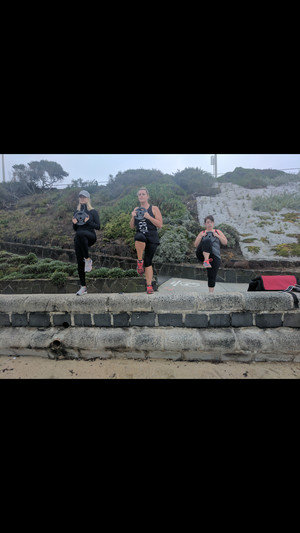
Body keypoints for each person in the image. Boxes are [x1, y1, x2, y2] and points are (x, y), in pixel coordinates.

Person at [130, 187, 163, 294]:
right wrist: (133, 217)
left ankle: (149, 286)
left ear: (147, 196)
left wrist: (149, 217)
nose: (141, 196)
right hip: (141, 234)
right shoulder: (136, 209)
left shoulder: (154, 208)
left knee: (148, 261)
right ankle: (140, 261)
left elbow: (160, 224)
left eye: (143, 194)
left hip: (152, 237)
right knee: (139, 237)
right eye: (139, 194)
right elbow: (131, 226)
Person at [72, 190, 100, 296]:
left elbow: (98, 226)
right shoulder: (76, 212)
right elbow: (75, 229)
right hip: (79, 239)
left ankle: (88, 259)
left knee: (81, 234)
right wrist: (74, 223)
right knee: (79, 262)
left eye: (84, 197)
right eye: (80, 197)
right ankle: (83, 287)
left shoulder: (93, 212)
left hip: (90, 236)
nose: (82, 199)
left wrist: (88, 221)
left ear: (88, 198)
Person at [194, 215, 227, 293]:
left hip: (214, 256)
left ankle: (211, 295)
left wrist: (217, 236)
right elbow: (195, 245)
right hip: (202, 254)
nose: (209, 224)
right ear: (205, 224)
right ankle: (206, 261)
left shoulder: (218, 231)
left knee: (211, 276)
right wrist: (201, 237)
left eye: (211, 222)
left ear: (213, 223)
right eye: (208, 222)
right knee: (207, 241)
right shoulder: (202, 232)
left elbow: (225, 242)